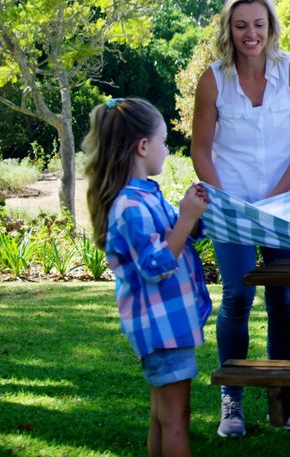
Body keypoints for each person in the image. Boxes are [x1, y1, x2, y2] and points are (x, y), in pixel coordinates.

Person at [191, 0, 290, 438]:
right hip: (232, 208)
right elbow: (201, 150)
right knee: (239, 298)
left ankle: (280, 402)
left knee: (284, 301)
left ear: (271, 27)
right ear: (229, 28)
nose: (251, 34)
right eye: (241, 25)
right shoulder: (213, 79)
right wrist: (227, 202)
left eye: (259, 25)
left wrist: (275, 200)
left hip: (286, 207)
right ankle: (233, 402)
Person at [84, 97, 212, 457]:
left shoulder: (146, 196)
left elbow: (178, 231)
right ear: (143, 147)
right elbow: (155, 264)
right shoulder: (131, 206)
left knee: (162, 417)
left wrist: (194, 215)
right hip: (161, 330)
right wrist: (186, 219)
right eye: (164, 142)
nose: (166, 151)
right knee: (176, 419)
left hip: (166, 327)